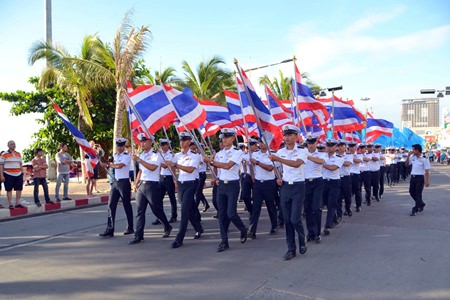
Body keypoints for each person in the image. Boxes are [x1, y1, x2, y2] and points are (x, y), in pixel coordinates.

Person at [203, 128, 248, 252]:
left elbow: (227, 166)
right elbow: (215, 165)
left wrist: (211, 161)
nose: (224, 139)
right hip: (221, 184)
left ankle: (243, 229)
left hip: (232, 185)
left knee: (231, 213)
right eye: (223, 137)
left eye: (227, 137)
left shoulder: (237, 152)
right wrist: (210, 161)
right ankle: (224, 241)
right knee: (222, 215)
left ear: (233, 138)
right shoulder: (219, 153)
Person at [269, 125, 307, 260]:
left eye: (291, 135)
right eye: (286, 135)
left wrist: (278, 159)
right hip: (285, 187)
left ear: (296, 137)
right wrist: (278, 177)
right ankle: (291, 249)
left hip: (298, 187)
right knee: (287, 220)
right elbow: (276, 167)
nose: (288, 138)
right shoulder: (280, 152)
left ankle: (302, 239)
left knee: (295, 219)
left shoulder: (302, 150)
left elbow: (296, 164)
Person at [128, 133, 172, 245]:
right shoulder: (142, 155)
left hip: (153, 185)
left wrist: (139, 160)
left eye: (145, 141)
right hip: (142, 184)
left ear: (150, 142)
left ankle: (167, 225)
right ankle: (139, 235)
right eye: (141, 141)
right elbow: (141, 171)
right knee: (139, 211)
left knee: (156, 209)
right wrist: (136, 184)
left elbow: (153, 168)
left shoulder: (156, 155)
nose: (142, 143)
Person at [165, 132, 204, 248]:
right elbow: (171, 166)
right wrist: (174, 176)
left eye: (184, 140)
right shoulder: (177, 155)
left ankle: (179, 238)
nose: (182, 142)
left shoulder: (195, 156)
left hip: (191, 183)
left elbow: (191, 169)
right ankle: (198, 227)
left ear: (189, 142)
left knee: (184, 211)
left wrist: (175, 165)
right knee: (189, 208)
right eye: (181, 140)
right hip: (181, 184)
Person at [99, 138, 134, 237]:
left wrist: (109, 165)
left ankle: (130, 227)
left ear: (123, 146)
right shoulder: (115, 156)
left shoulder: (126, 156)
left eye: (121, 146)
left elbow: (120, 166)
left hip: (124, 182)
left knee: (126, 205)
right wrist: (106, 165)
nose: (119, 148)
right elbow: (113, 167)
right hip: (116, 182)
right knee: (111, 205)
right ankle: (110, 229)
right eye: (118, 146)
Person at [247, 138, 278, 239]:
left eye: (263, 142)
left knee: (270, 205)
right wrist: (252, 176)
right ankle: (252, 230)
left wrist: (257, 163)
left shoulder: (272, 154)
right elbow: (250, 164)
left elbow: (270, 168)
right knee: (256, 207)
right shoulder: (255, 154)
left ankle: (274, 225)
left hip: (269, 183)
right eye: (260, 142)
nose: (261, 144)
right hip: (258, 183)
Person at [304, 135, 326, 243]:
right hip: (306, 182)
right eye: (309, 143)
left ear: (316, 143)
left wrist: (308, 157)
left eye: (313, 143)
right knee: (307, 209)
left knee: (316, 208)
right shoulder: (302, 153)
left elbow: (321, 161)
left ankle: (317, 233)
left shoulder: (321, 153)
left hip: (317, 181)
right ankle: (310, 232)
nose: (311, 145)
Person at [322, 139, 344, 236]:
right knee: (326, 202)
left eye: (332, 146)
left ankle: (327, 225)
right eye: (328, 146)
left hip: (334, 182)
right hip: (324, 182)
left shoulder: (339, 158)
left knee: (331, 203)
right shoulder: (322, 156)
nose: (329, 148)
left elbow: (333, 168)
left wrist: (321, 164)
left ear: (336, 147)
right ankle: (334, 218)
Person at [405, 144, 430, 216]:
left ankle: (415, 209)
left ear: (417, 150)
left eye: (413, 150)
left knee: (418, 193)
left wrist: (427, 181)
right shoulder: (412, 157)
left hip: (420, 177)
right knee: (411, 192)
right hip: (413, 177)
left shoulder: (424, 158)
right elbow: (406, 165)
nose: (412, 151)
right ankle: (421, 204)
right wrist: (408, 156)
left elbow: (427, 171)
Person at [158, 139, 178, 224]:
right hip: (161, 177)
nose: (162, 147)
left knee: (171, 197)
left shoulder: (171, 155)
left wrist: (175, 179)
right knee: (159, 199)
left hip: (169, 177)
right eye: (161, 145)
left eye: (164, 145)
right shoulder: (160, 154)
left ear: (168, 145)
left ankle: (174, 216)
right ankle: (160, 217)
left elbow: (167, 166)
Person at [0, 140, 24, 209]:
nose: (13, 145)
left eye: (14, 144)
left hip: (18, 174)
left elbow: (20, 164)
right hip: (8, 174)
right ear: (8, 146)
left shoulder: (18, 154)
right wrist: (1, 175)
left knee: (19, 189)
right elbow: (1, 165)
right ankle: (10, 204)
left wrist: (23, 174)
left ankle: (17, 203)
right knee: (9, 189)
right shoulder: (4, 154)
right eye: (11, 144)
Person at [336, 140, 352, 219]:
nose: (340, 148)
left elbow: (347, 163)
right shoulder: (335, 155)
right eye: (339, 146)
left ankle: (348, 209)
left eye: (342, 146)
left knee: (347, 195)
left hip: (346, 177)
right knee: (338, 196)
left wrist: (338, 161)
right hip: (337, 177)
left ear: (345, 147)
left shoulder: (348, 155)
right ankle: (339, 214)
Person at [349, 142, 363, 212]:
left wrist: (350, 158)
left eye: (353, 146)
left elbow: (358, 161)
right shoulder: (345, 155)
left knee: (357, 191)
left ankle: (358, 205)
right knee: (348, 192)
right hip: (348, 175)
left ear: (355, 147)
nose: (351, 148)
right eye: (350, 146)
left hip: (356, 175)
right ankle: (347, 208)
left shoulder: (358, 155)